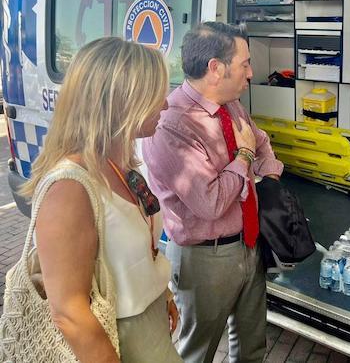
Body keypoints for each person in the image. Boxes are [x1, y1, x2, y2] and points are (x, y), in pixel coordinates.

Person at [22, 37, 182, 363]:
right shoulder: (69, 187)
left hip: (147, 327)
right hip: (115, 341)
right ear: (121, 101)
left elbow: (130, 251)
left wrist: (159, 292)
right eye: (156, 95)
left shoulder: (118, 163)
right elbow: (69, 312)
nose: (165, 105)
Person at [142, 21, 284, 363]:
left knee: (251, 346)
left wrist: (270, 176)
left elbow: (260, 140)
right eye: (244, 64)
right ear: (215, 69)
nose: (251, 73)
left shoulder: (230, 104)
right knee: (197, 352)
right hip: (205, 258)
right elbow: (211, 201)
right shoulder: (172, 124)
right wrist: (245, 158)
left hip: (248, 243)